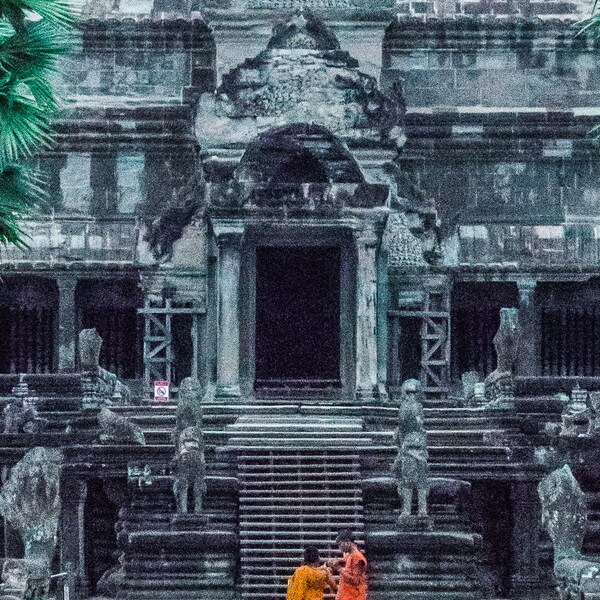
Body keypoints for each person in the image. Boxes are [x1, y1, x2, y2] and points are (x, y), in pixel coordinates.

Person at [329, 530, 367, 600]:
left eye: (340, 545)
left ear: (347, 542)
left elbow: (356, 581)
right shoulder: (349, 555)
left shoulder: (358, 558)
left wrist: (338, 568)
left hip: (354, 596)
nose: (339, 548)